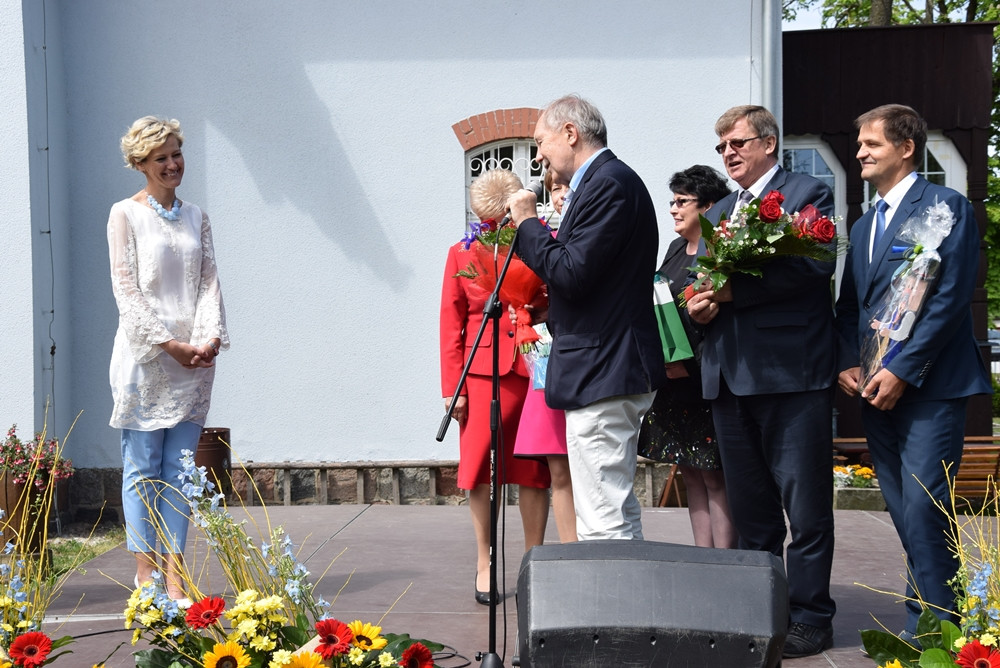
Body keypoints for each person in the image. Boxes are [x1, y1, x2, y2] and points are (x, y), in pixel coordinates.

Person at [834, 104, 991, 641]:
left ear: (905, 148)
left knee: (925, 510)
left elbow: (948, 301)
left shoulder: (944, 207)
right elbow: (851, 304)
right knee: (904, 513)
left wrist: (902, 369)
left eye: (871, 144)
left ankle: (938, 634)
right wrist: (848, 362)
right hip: (874, 391)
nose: (859, 153)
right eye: (859, 144)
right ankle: (935, 627)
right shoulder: (863, 223)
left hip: (929, 386)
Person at [687, 104, 837, 657]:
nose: (728, 153)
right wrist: (701, 306)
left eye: (738, 143)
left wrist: (729, 294)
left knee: (805, 506)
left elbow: (813, 266)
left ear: (769, 143)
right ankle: (763, 607)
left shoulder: (806, 195)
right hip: (728, 377)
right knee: (752, 511)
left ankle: (812, 615)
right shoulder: (721, 209)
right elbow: (707, 280)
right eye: (721, 146)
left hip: (791, 375)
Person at [507, 94, 667, 541]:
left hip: (606, 367)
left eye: (540, 142)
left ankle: (613, 612)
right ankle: (626, 606)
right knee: (609, 508)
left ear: (571, 134)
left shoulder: (609, 183)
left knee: (601, 518)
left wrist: (527, 223)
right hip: (601, 366)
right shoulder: (601, 183)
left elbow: (572, 272)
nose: (537, 155)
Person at [109, 116, 229, 606]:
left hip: (194, 361)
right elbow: (126, 291)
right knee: (142, 467)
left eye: (177, 153)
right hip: (147, 358)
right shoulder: (124, 214)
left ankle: (177, 577)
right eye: (161, 157)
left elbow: (208, 280)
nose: (173, 163)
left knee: (183, 470)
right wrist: (169, 344)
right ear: (140, 164)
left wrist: (208, 337)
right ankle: (146, 574)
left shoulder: (197, 215)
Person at [439, 169, 551, 604]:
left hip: (531, 365)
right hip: (481, 371)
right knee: (477, 471)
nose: (491, 224)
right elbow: (451, 322)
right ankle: (484, 561)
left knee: (533, 471)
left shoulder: (538, 240)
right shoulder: (461, 252)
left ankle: (532, 562)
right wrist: (454, 388)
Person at [637, 165, 736, 549]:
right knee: (690, 471)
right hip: (674, 380)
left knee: (715, 474)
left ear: (709, 206)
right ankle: (702, 555)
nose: (674, 209)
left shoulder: (720, 250)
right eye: (672, 201)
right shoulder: (677, 248)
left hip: (706, 378)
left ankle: (724, 562)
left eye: (683, 202)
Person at [513, 170, 576, 543]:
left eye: (567, 186)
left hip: (583, 359)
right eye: (554, 189)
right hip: (545, 360)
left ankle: (577, 551)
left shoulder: (582, 236)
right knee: (554, 465)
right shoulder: (540, 240)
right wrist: (522, 309)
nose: (560, 195)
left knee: (575, 467)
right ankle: (539, 556)